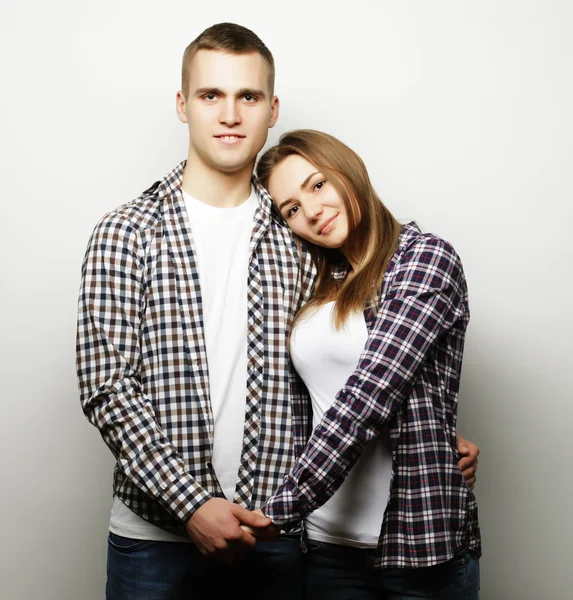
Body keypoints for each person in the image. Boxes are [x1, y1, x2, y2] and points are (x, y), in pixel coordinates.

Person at [76, 23, 479, 600]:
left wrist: (430, 438)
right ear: (182, 105)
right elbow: (106, 387)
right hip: (156, 537)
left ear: (272, 109)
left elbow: (370, 351)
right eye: (211, 95)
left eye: (249, 96)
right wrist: (192, 506)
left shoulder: (304, 232)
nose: (230, 114)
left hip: (279, 538)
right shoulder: (126, 233)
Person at [255, 129, 481, 599]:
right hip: (324, 546)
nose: (312, 211)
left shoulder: (423, 259)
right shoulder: (316, 280)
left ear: (347, 168)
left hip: (418, 547)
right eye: (291, 209)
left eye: (317, 185)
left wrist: (276, 513)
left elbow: (369, 394)